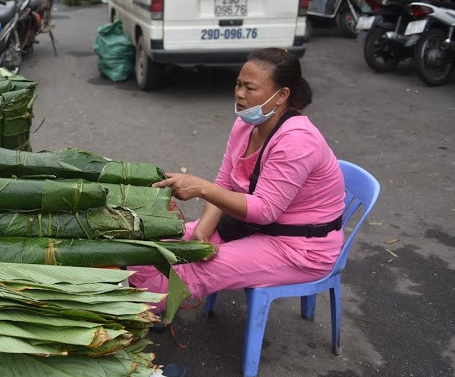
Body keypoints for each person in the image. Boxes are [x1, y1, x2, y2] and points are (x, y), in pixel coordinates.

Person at [130, 48, 345, 306]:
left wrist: (200, 188)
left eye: (250, 88)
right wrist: (203, 230)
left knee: (193, 268)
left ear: (282, 95)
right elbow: (225, 183)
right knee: (150, 244)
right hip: (252, 228)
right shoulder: (246, 124)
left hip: (299, 248)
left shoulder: (297, 141)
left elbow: (265, 210)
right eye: (238, 84)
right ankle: (146, 304)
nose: (240, 94)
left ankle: (133, 315)